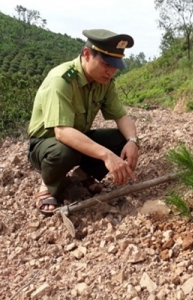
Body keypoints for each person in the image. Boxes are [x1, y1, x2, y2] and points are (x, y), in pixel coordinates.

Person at [27, 29, 140, 216]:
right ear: (86, 54)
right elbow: (62, 132)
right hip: (46, 145)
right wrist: (106, 156)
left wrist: (133, 141)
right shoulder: (61, 80)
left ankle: (83, 174)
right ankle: (48, 185)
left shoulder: (104, 82)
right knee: (64, 151)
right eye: (105, 64)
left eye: (115, 66)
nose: (111, 71)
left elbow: (121, 116)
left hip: (78, 138)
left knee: (122, 138)